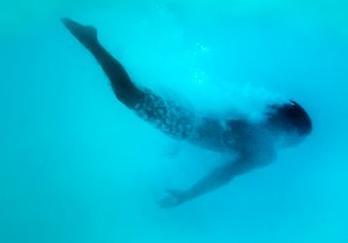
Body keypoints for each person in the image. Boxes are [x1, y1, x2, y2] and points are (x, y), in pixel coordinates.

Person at [61, 18, 312, 208]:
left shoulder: (253, 116)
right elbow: (224, 173)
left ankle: (111, 51)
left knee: (135, 88)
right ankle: (92, 42)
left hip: (184, 105)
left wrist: (179, 147)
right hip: (183, 123)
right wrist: (188, 195)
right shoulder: (264, 150)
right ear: (291, 132)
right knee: (128, 94)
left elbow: (218, 123)